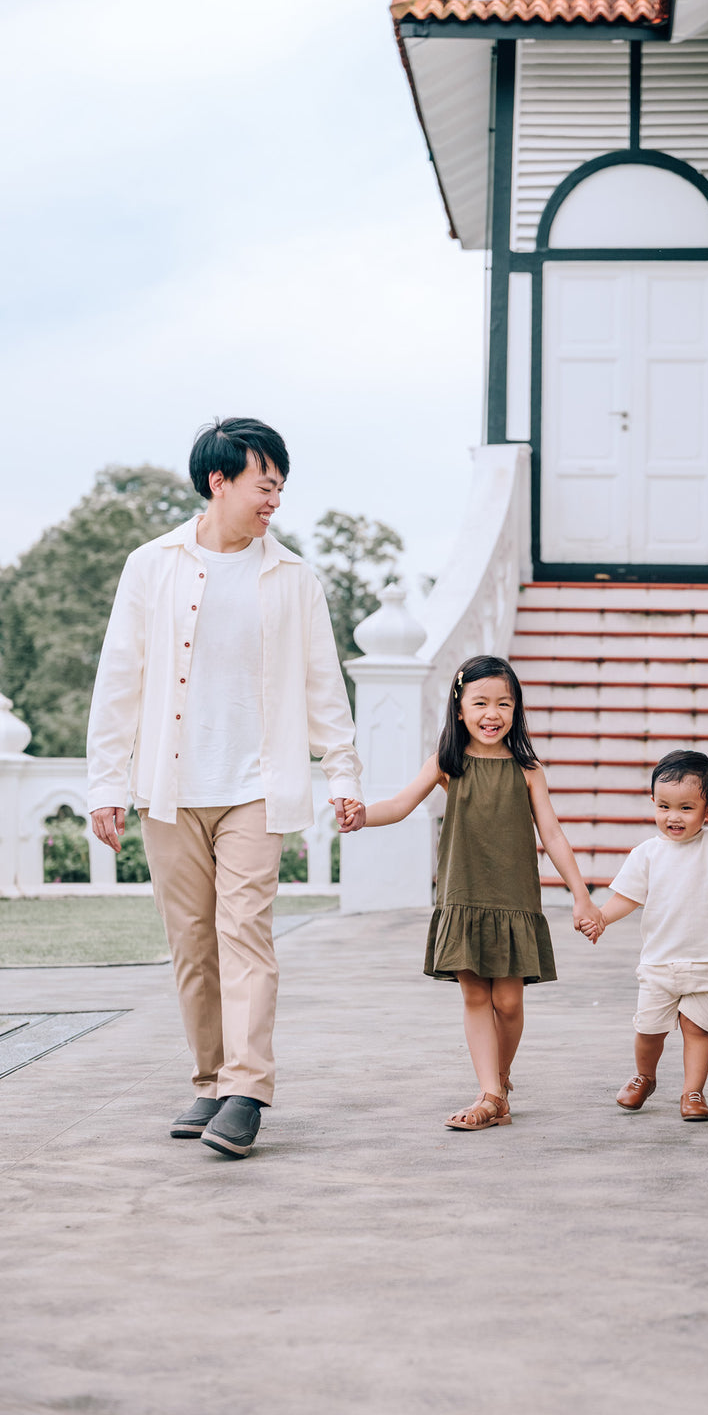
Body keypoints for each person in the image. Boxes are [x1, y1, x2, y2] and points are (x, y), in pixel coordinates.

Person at [87, 417, 364, 1159]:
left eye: (280, 487)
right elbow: (119, 680)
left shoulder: (293, 577)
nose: (274, 499)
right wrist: (105, 784)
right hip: (170, 786)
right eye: (263, 484)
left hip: (255, 786)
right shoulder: (152, 566)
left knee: (245, 935)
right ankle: (209, 1079)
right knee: (192, 944)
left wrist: (342, 770)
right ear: (220, 481)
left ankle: (247, 1089)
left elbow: (321, 684)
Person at [356, 654, 604, 1130]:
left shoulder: (527, 768)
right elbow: (401, 804)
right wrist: (363, 815)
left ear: (516, 711)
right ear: (459, 707)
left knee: (508, 1003)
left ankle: (500, 1081)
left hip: (513, 900)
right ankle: (489, 1095)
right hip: (463, 896)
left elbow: (551, 833)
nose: (493, 714)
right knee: (475, 998)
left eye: (504, 704)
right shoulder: (448, 764)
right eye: (481, 703)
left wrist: (581, 895)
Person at [580, 750, 708, 1121]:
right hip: (659, 962)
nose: (672, 817)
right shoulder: (647, 853)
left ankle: (693, 1092)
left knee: (698, 1030)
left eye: (685, 808)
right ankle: (644, 1076)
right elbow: (627, 898)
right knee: (649, 1030)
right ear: (653, 803)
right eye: (664, 807)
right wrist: (601, 918)